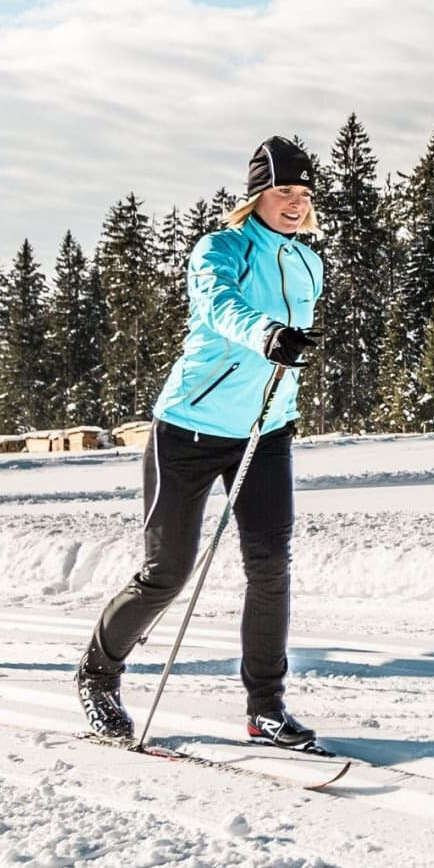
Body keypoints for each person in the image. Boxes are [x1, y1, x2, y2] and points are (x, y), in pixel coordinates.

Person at [78, 137, 326, 750]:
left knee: (270, 568)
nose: (294, 203)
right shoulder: (221, 248)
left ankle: (265, 706)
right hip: (187, 432)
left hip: (263, 433)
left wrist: (286, 394)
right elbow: (221, 307)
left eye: (302, 193)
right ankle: (98, 675)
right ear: (256, 195)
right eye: (282, 191)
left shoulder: (309, 263)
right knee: (166, 573)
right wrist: (266, 332)